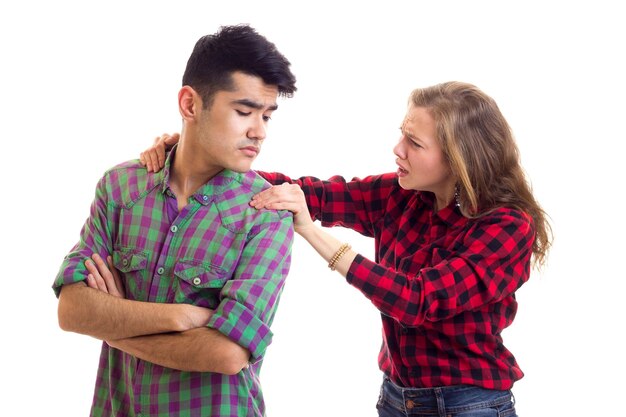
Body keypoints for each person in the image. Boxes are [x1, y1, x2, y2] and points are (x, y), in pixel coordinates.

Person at [143, 81, 552, 417]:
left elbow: (417, 301)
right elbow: (310, 192)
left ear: (460, 156)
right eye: (401, 134)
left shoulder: (508, 226)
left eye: (414, 142)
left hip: (470, 405)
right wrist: (196, 154)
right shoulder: (402, 195)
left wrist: (313, 234)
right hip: (397, 399)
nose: (398, 149)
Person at [53, 24, 297, 417]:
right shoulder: (121, 188)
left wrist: (114, 328)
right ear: (190, 105)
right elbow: (72, 310)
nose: (260, 131)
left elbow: (228, 353)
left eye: (267, 115)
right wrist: (180, 317)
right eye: (244, 111)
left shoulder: (265, 215)